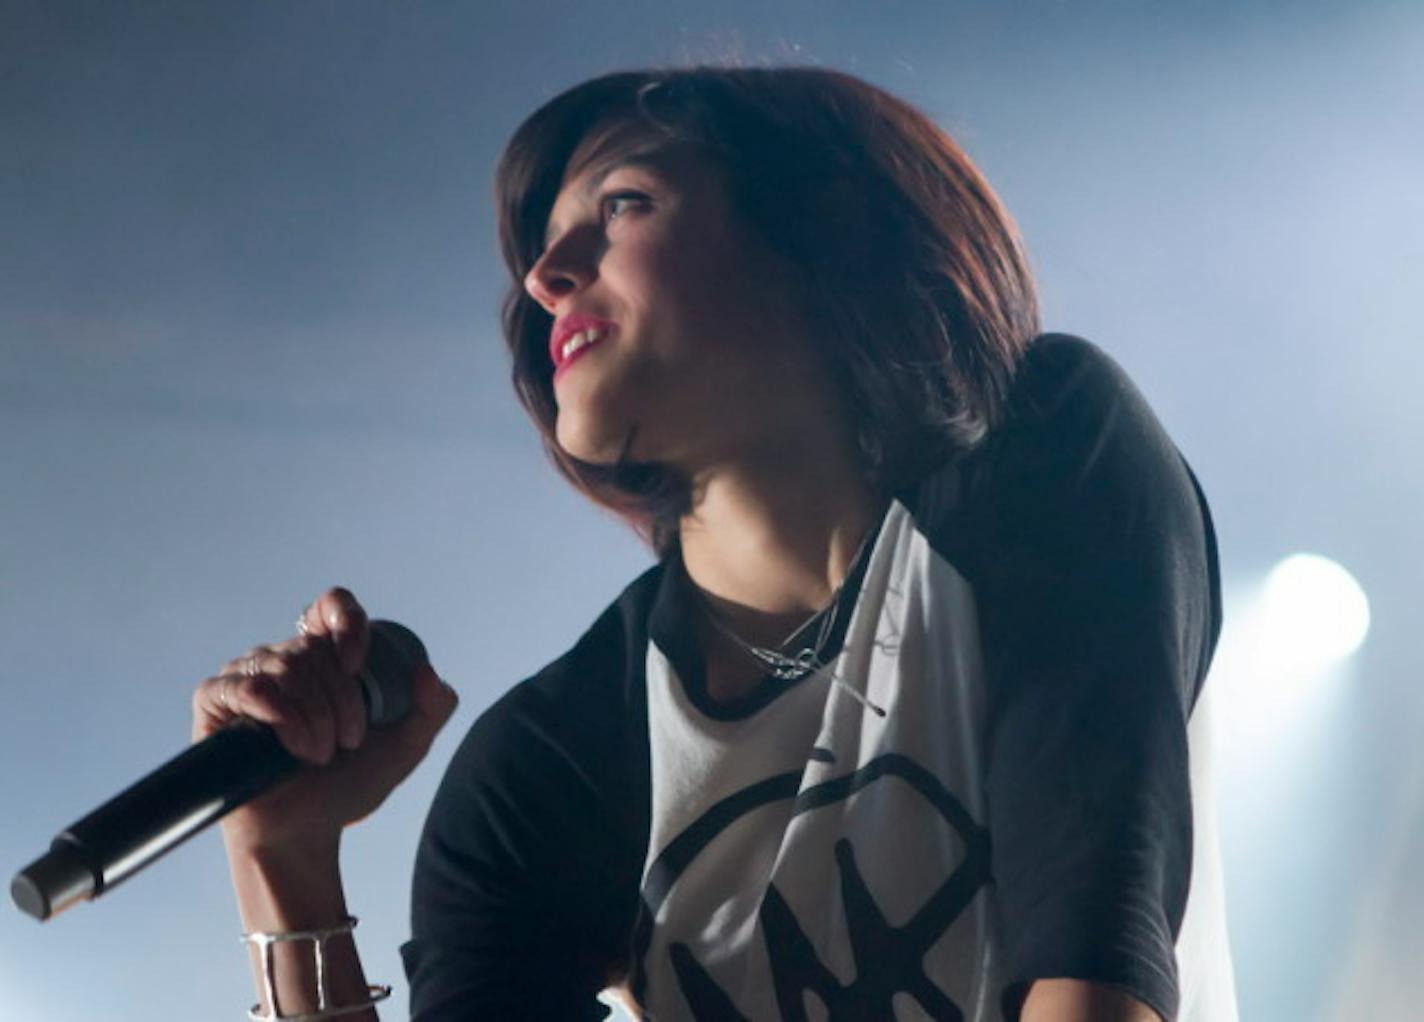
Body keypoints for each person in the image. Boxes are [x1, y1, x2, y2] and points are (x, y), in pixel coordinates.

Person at [193, 66, 1236, 1021]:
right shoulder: (551, 765)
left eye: (624, 205)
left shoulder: (1047, 454)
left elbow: (1092, 969)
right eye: (541, 253)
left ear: (822, 231)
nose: (548, 275)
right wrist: (282, 864)